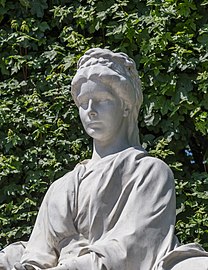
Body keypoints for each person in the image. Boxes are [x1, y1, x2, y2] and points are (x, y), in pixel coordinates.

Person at [0, 48, 208, 270]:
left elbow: (134, 247)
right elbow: (37, 253)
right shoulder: (61, 186)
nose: (90, 110)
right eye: (83, 102)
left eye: (102, 100)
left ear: (126, 106)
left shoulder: (150, 171)